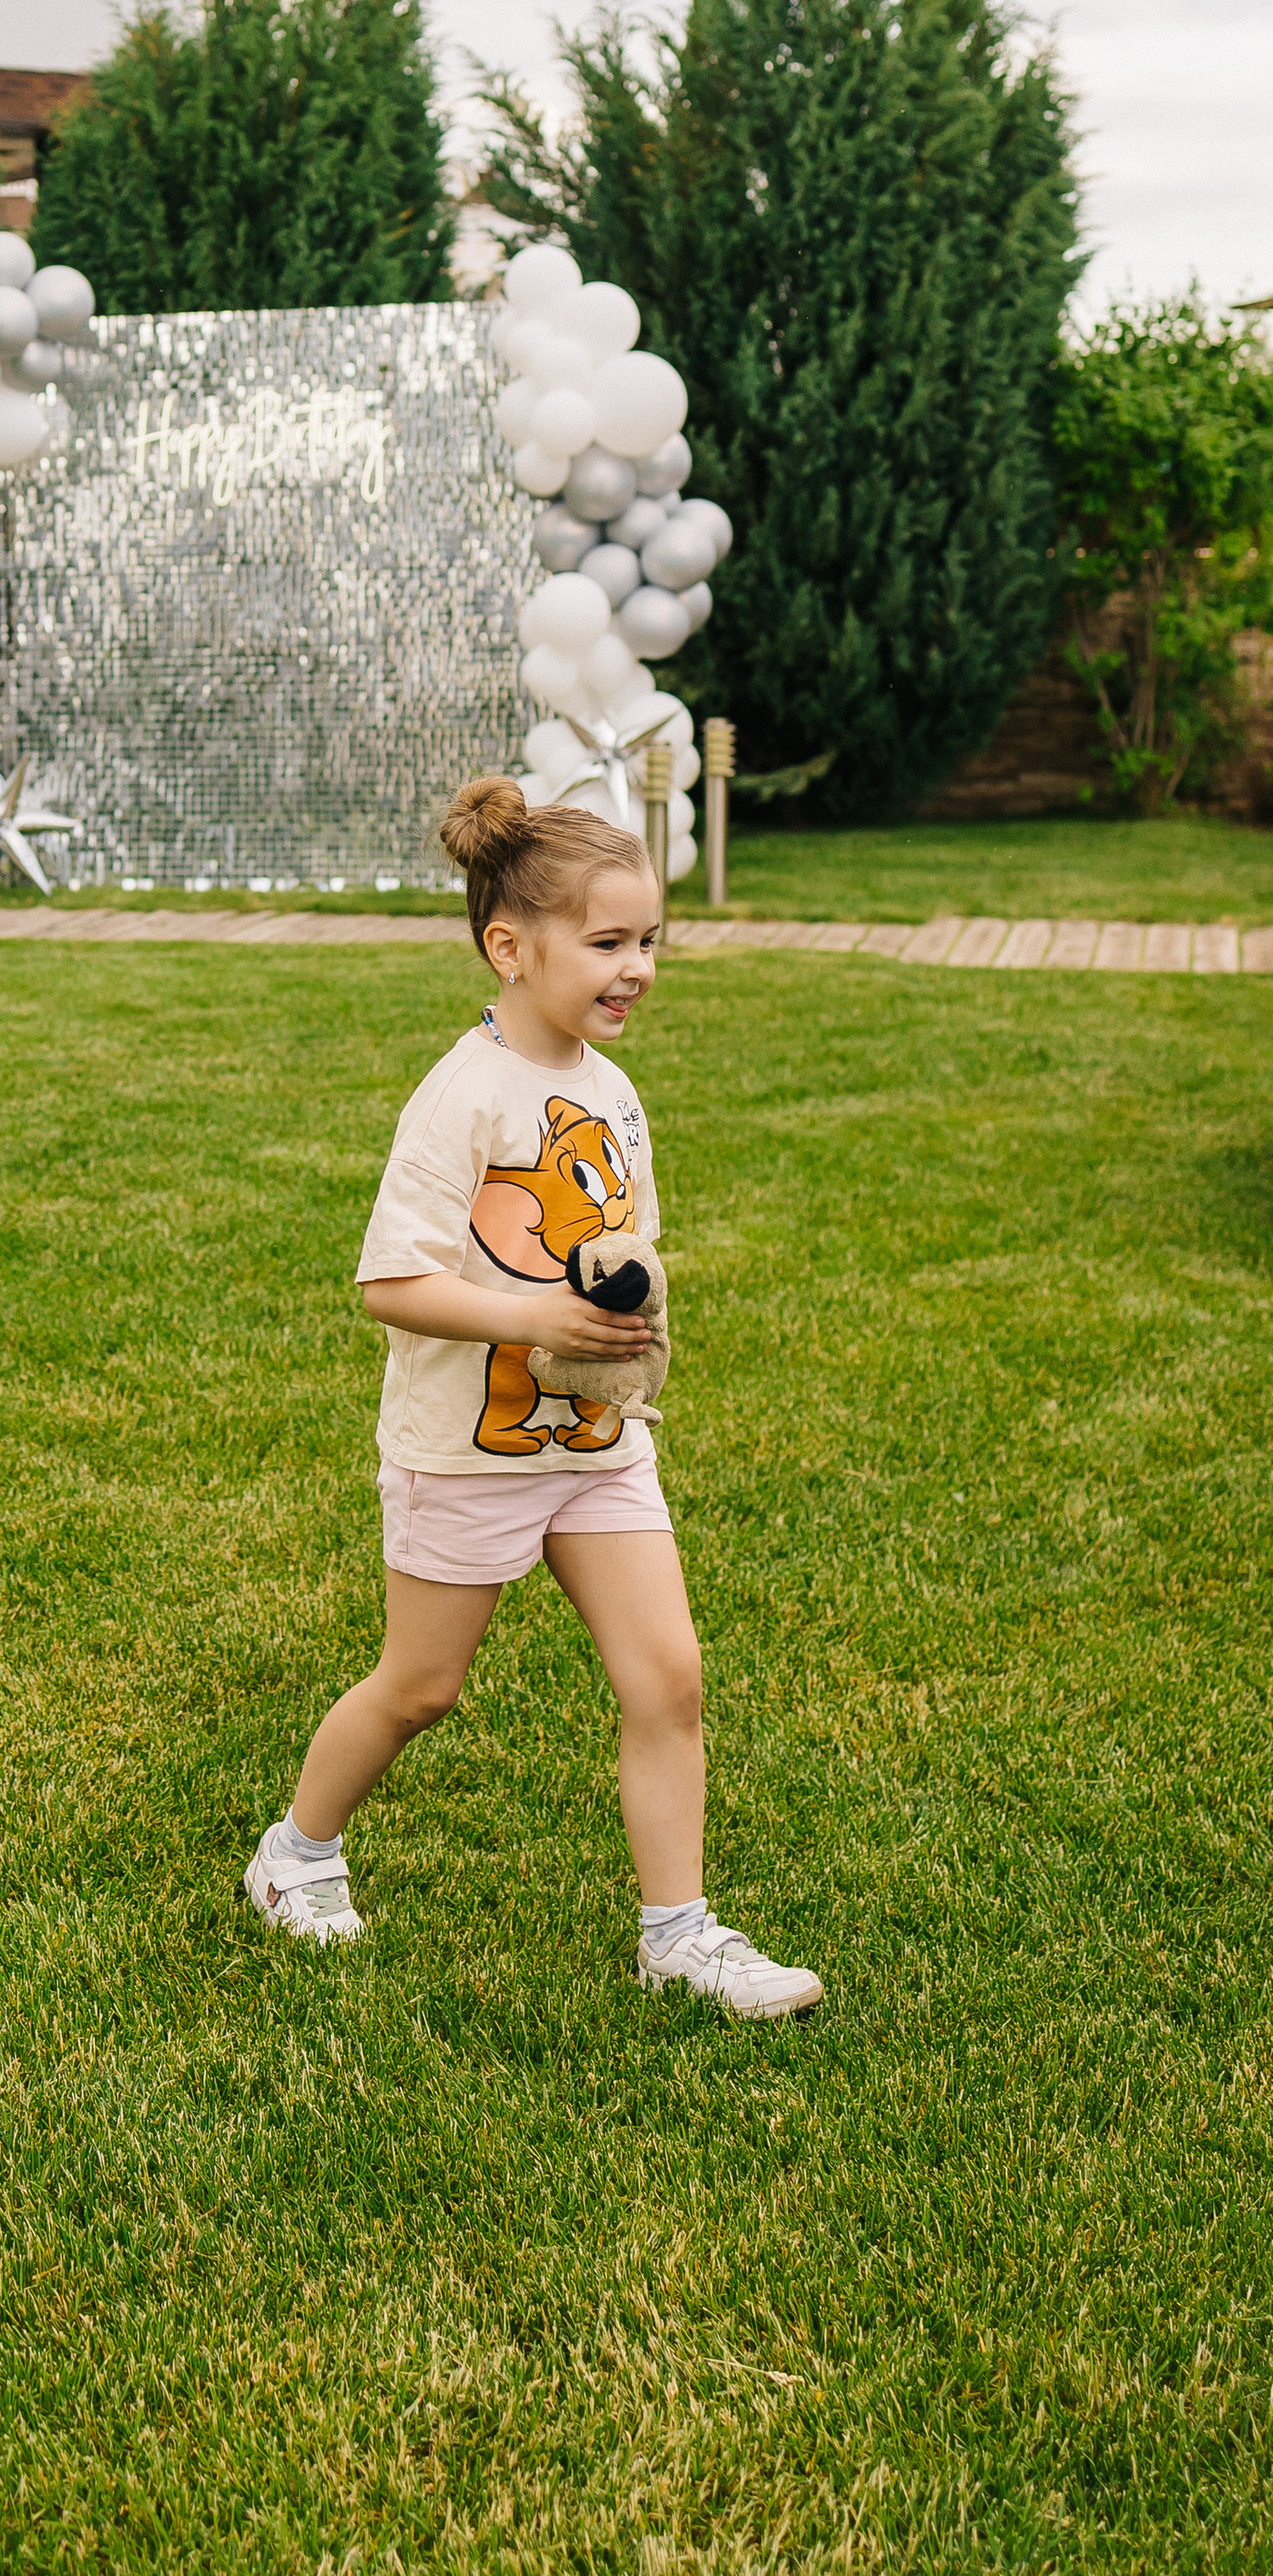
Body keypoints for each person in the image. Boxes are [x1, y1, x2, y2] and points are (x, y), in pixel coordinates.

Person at [243, 775, 821, 2019]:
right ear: (510, 947)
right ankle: (296, 1852)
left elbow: (626, 1262)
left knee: (668, 1681)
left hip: (600, 1446)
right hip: (467, 1450)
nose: (639, 969)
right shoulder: (466, 1095)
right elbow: (390, 1280)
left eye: (650, 941)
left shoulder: (613, 1093)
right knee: (421, 1688)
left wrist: (629, 1355)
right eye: (609, 943)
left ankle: (678, 1932)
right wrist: (529, 1318)